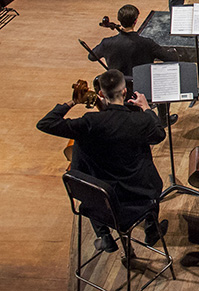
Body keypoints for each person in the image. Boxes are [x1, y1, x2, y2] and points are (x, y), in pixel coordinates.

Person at [36, 69, 168, 253]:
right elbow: (159, 134)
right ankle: (151, 230)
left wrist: (74, 101)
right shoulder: (140, 121)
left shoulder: (90, 122)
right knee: (150, 174)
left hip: (102, 199)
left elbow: (45, 123)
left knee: (82, 157)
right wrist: (146, 108)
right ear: (124, 92)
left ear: (100, 93)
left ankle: (103, 234)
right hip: (139, 195)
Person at [89, 4, 178, 77]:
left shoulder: (107, 43)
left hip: (118, 88)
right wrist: (173, 52)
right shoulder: (147, 43)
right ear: (135, 21)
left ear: (119, 20)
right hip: (142, 86)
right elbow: (170, 58)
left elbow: (91, 57)